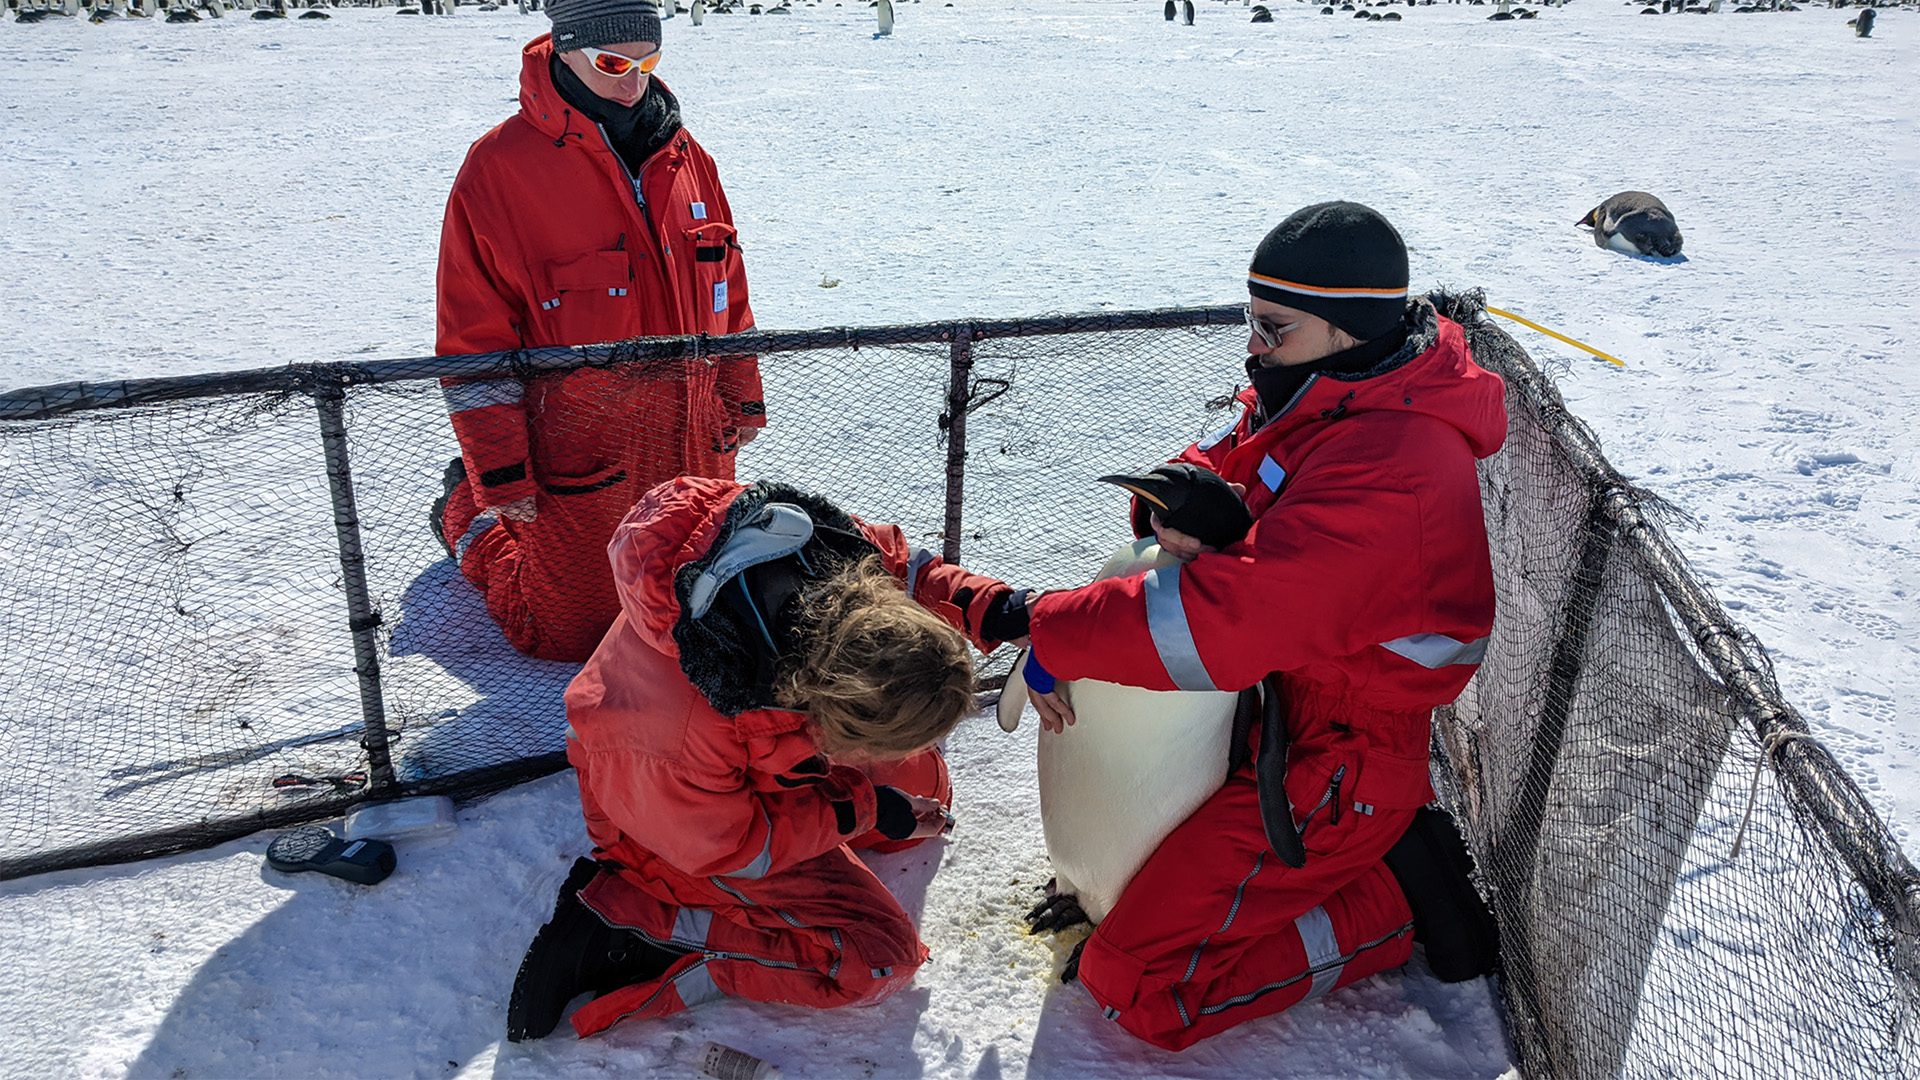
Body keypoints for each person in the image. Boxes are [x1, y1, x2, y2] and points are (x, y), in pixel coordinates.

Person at [1011, 202, 1508, 1051]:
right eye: (1252, 321)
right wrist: (1181, 498)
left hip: (1337, 766)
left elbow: (1219, 625)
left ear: (1346, 330)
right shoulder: (1319, 391)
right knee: (1131, 897)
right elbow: (1223, 459)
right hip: (1269, 714)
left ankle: (1389, 909)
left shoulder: (1399, 468)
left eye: (1272, 327)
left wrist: (1052, 630)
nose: (1254, 346)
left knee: (1137, 987)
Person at [505, 476, 1030, 1041]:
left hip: (746, 754)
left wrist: (992, 607)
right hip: (664, 822)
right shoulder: (679, 734)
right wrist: (860, 809)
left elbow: (904, 567)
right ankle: (634, 926)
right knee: (876, 961)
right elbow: (736, 850)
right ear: (829, 722)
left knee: (921, 800)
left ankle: (862, 788)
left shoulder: (827, 558)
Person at [432, 0, 764, 662]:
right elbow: (474, 342)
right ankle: (463, 508)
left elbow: (728, 291)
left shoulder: (687, 155)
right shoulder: (498, 171)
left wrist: (741, 400)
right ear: (565, 51)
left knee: (701, 602)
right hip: (583, 459)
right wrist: (501, 474)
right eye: (614, 64)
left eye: (649, 61)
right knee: (567, 634)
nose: (633, 81)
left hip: (696, 444)